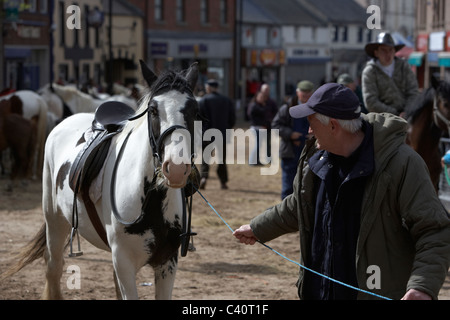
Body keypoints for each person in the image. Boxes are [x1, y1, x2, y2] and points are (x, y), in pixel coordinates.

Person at [234, 83, 450, 300]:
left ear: (333, 126)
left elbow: (435, 230)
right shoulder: (315, 160)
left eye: (311, 122)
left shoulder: (402, 164)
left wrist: (422, 287)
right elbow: (298, 206)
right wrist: (257, 227)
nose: (308, 130)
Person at [272, 80, 313, 199]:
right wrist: (290, 134)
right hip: (290, 152)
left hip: (309, 152)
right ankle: (286, 215)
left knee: (306, 187)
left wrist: (315, 135)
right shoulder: (287, 108)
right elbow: (275, 125)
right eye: (303, 92)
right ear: (297, 92)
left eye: (308, 93)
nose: (305, 95)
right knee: (288, 187)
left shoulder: (316, 109)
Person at [362, 32, 419, 117]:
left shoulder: (404, 67)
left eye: (390, 50)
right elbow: (371, 101)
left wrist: (407, 111)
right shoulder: (370, 71)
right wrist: (395, 114)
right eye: (383, 50)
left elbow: (413, 91)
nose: (388, 54)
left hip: (407, 114)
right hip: (382, 118)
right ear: (376, 53)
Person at [198, 79, 236, 190]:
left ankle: (203, 178)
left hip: (207, 133)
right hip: (222, 134)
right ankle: (223, 182)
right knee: (221, 159)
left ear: (208, 88)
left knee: (206, 158)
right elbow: (232, 118)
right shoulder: (226, 100)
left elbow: (199, 119)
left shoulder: (203, 100)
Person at [248, 84, 278, 165]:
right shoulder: (255, 105)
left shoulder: (270, 102)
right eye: (264, 90)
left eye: (267, 90)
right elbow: (253, 116)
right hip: (258, 127)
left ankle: (266, 159)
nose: (266, 92)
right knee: (258, 145)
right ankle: (253, 161)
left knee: (266, 144)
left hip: (267, 127)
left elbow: (275, 112)